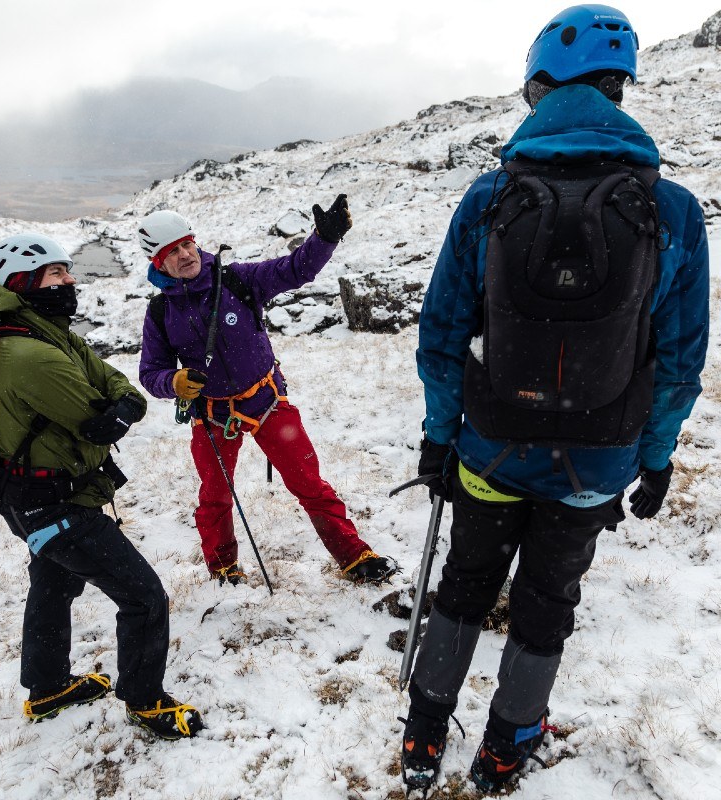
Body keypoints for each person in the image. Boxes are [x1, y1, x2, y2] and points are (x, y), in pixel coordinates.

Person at [400, 4, 709, 793]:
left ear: (538, 88)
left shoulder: (488, 196)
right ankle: (506, 751)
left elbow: (441, 337)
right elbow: (678, 361)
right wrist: (656, 455)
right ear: (621, 88)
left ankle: (422, 740)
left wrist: (441, 438)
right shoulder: (670, 207)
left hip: (490, 447)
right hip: (600, 458)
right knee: (548, 599)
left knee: (465, 583)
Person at [0, 233, 202, 739]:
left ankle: (48, 687)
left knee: (55, 583)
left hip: (38, 499)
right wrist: (117, 412)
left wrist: (124, 407)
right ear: (23, 283)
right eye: (57, 274)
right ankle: (146, 702)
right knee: (144, 596)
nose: (70, 281)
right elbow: (95, 418)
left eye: (66, 271)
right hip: (54, 505)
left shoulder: (53, 337)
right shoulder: (29, 355)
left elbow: (123, 389)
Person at [137, 196, 397, 585]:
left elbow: (296, 270)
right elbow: (150, 372)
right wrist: (171, 383)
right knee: (215, 496)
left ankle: (354, 555)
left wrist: (324, 239)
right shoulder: (160, 313)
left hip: (267, 401)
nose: (185, 254)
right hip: (212, 416)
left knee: (309, 483)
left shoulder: (237, 279)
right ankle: (223, 568)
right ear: (159, 264)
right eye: (172, 252)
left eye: (187, 243)